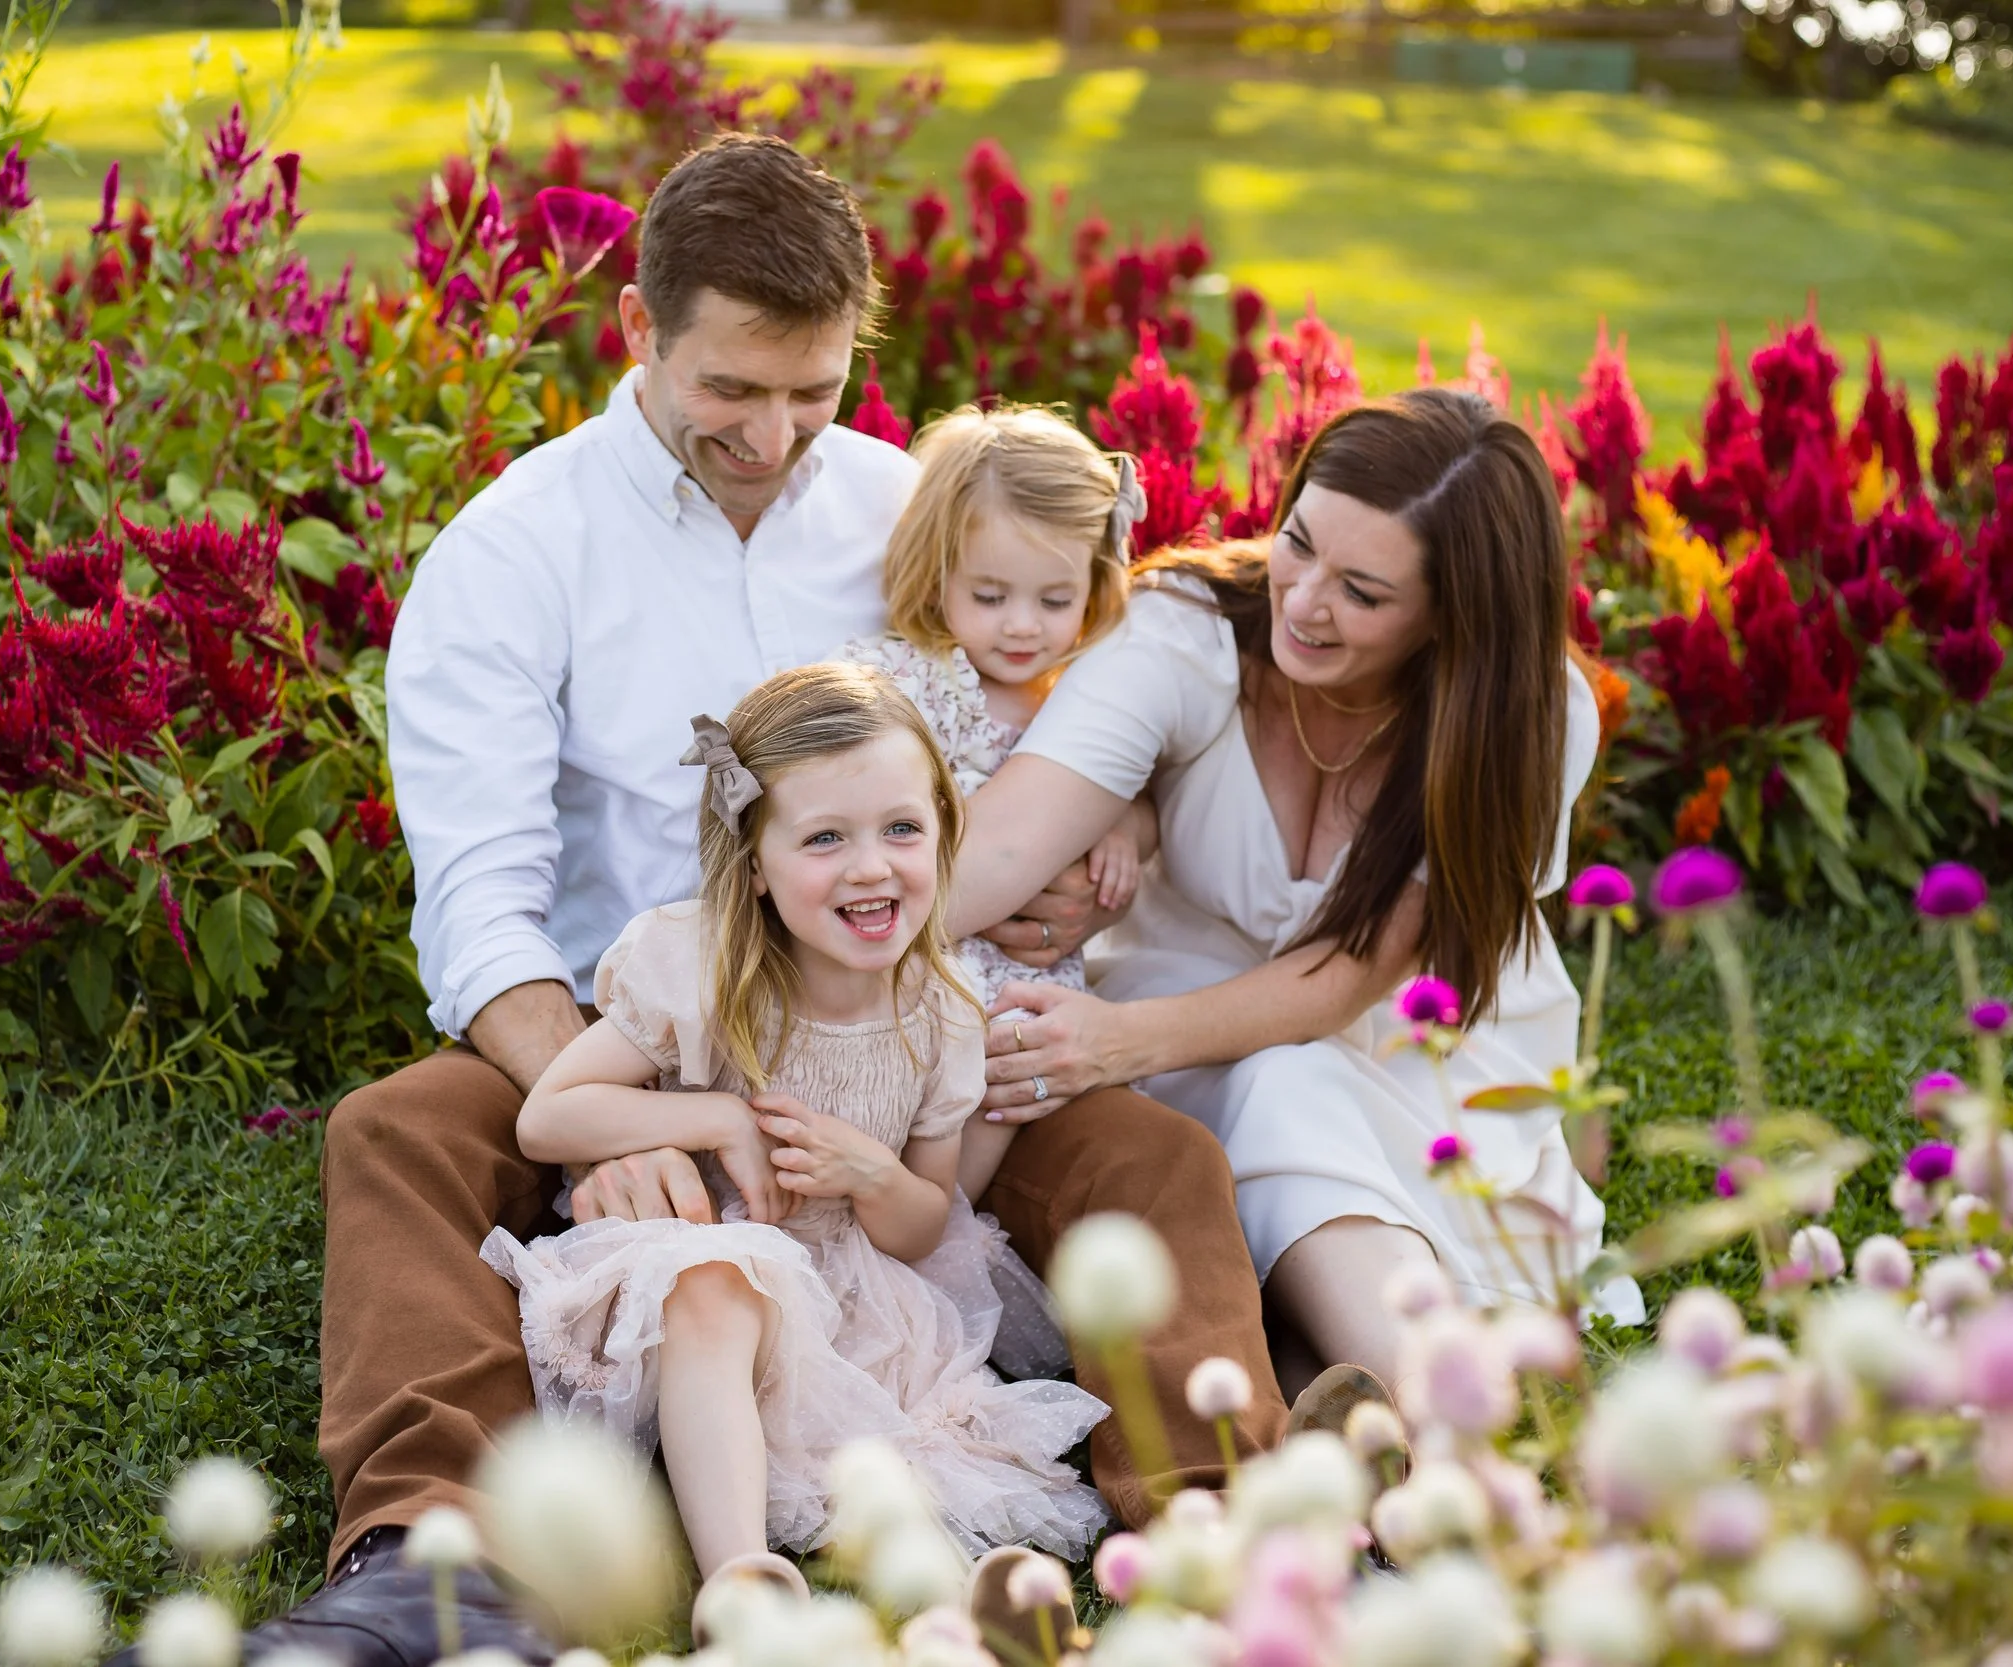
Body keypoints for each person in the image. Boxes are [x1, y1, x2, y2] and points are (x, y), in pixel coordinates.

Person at [223, 134, 1286, 1667]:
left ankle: (1233, 1528)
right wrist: (642, 1116)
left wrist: (1075, 832)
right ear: (641, 334)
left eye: (817, 388)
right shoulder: (517, 551)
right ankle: (428, 1558)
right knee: (392, 1134)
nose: (778, 431)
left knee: (1154, 1155)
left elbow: (1055, 681)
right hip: (621, 1020)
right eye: (734, 389)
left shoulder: (903, 508)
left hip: (895, 1014)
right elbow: (485, 913)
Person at [950, 387, 1645, 1424]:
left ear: (1455, 615)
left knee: (1287, 1086)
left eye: (1362, 591)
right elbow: (1001, 844)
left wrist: (1110, 1042)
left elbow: (1356, 973)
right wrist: (773, 929)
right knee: (1270, 1095)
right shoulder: (1182, 633)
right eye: (1297, 541)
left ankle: (1405, 1404)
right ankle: (1420, 1408)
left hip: (1419, 1040)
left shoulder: (1530, 714)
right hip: (1183, 1005)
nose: (1304, 600)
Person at [486, 666, 1112, 1633]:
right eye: (826, 838)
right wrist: (714, 1121)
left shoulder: (941, 1015)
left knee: (895, 1445)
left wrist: (872, 1173)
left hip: (853, 1294)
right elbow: (549, 1117)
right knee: (718, 1284)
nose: (872, 866)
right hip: (693, 1266)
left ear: (945, 832)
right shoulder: (698, 969)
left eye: (902, 828)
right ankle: (737, 1581)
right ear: (754, 865)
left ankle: (955, 1606)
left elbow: (922, 1227)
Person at [839, 402, 1154, 1202]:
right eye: (989, 594)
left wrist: (1125, 822)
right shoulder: (911, 681)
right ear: (936, 569)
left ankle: (943, 1228)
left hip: (1025, 984)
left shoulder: (1089, 703)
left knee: (1013, 1063)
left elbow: (1136, 788)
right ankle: (886, 1212)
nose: (1022, 626)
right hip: (914, 962)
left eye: (1055, 600)